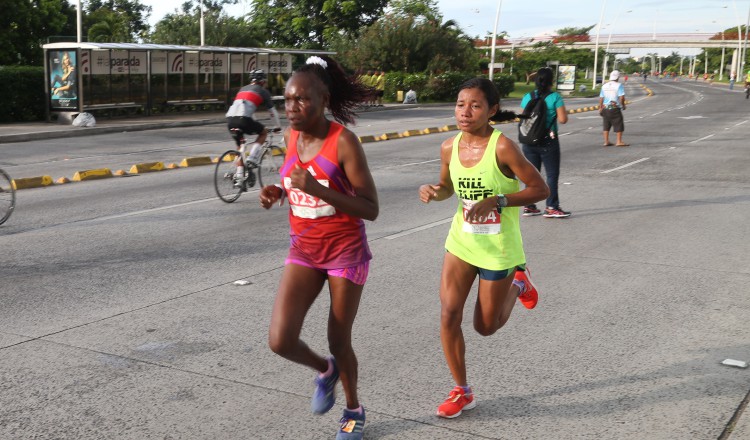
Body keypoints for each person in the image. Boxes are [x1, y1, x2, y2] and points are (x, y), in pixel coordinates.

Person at [259, 55, 378, 440]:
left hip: (345, 253)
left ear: (323, 99)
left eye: (302, 100)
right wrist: (278, 190)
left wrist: (317, 188)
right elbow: (295, 182)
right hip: (305, 251)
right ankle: (325, 371)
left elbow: (370, 208)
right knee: (280, 340)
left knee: (338, 339)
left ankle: (354, 409)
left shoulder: (343, 142)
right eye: (288, 99)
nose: (292, 108)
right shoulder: (291, 135)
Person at [418, 77, 549, 419]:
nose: (465, 111)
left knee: (485, 326)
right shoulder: (449, 147)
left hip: (498, 248)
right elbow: (448, 187)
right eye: (461, 104)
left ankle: (519, 281)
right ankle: (462, 391)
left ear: (491, 110)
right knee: (448, 313)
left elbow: (540, 189)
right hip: (461, 241)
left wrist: (499, 199)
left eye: (475, 105)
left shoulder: (503, 147)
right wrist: (435, 190)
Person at [518, 67, 570, 218]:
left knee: (531, 174)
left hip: (528, 141)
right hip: (548, 141)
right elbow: (563, 119)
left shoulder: (528, 96)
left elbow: (523, 118)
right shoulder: (555, 97)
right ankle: (551, 206)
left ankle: (529, 205)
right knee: (552, 175)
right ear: (551, 81)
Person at [225, 69, 281, 184]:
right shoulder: (262, 91)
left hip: (230, 120)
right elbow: (272, 112)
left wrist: (254, 122)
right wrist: (277, 126)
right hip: (243, 119)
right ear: (263, 81)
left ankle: (240, 177)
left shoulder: (242, 89)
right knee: (263, 132)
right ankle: (252, 158)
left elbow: (247, 109)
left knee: (240, 147)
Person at [599, 70, 628, 147]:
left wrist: (600, 107)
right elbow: (621, 97)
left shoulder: (604, 86)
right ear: (617, 77)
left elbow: (601, 98)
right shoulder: (619, 85)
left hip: (605, 108)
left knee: (606, 124)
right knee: (618, 124)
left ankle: (606, 141)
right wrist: (623, 105)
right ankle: (618, 141)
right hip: (614, 108)